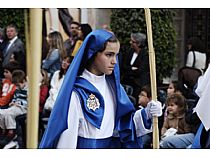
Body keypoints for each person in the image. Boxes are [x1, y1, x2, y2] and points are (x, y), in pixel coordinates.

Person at [39, 29, 162, 149]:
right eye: (109, 55)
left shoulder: (115, 88)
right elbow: (66, 141)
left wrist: (147, 114)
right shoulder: (76, 92)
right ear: (92, 53)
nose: (114, 61)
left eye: (116, 55)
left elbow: (126, 125)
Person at [0, 70, 28, 148]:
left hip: (23, 108)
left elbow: (30, 102)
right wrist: (13, 102)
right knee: (2, 112)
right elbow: (16, 98)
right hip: (15, 106)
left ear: (24, 81)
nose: (18, 87)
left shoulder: (29, 89)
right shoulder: (17, 89)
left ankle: (11, 131)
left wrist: (19, 104)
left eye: (19, 85)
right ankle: (4, 129)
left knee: (9, 114)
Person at [122, 32, 150, 104]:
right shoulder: (129, 52)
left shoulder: (145, 55)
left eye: (133, 41)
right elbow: (124, 66)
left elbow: (140, 70)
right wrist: (132, 69)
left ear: (139, 43)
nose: (130, 42)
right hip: (127, 81)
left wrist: (130, 69)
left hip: (138, 84)